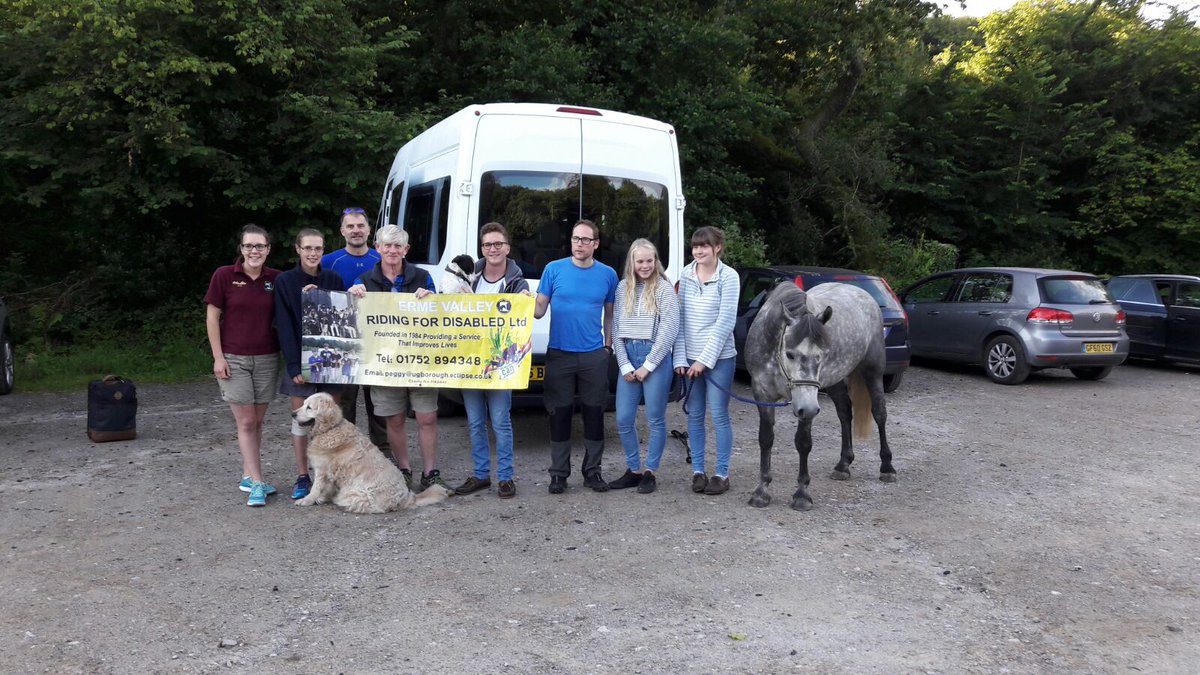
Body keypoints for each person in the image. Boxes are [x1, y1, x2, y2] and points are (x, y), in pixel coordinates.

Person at [347, 225, 447, 491]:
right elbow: (351, 321)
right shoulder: (364, 281)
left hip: (420, 362)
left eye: (398, 246)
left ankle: (430, 472)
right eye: (387, 245)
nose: (392, 250)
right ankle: (404, 469)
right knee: (394, 419)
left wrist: (432, 299)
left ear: (406, 249)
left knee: (427, 417)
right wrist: (352, 297)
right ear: (377, 248)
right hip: (384, 364)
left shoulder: (423, 277)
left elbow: (439, 318)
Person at [533, 219, 618, 494]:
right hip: (559, 354)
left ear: (596, 243)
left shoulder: (608, 274)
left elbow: (610, 314)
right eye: (575, 239)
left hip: (594, 356)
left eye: (585, 239)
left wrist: (608, 346)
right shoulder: (553, 270)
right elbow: (538, 311)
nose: (579, 244)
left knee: (594, 414)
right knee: (559, 415)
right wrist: (518, 299)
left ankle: (593, 472)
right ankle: (558, 475)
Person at [204, 224, 283, 507]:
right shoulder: (224, 276)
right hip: (233, 358)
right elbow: (212, 318)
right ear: (241, 249)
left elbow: (297, 306)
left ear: (268, 249)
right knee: (246, 421)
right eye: (249, 246)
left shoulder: (277, 279)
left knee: (258, 421)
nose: (254, 251)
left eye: (260, 246)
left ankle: (249, 475)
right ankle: (258, 483)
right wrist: (218, 357)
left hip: (267, 357)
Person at [453, 223, 530, 500]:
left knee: (500, 421)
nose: (493, 249)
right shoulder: (467, 277)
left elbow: (525, 319)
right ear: (482, 249)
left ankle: (506, 477)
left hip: (502, 363)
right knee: (474, 421)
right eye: (487, 245)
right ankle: (482, 474)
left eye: (498, 244)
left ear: (507, 248)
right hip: (471, 361)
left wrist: (525, 303)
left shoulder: (518, 283)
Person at [274, 228, 345, 500]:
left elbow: (342, 318)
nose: (313, 253)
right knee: (301, 423)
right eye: (308, 248)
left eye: (318, 249)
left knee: (329, 423)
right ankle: (303, 476)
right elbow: (283, 325)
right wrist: (294, 367)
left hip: (330, 362)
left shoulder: (333, 278)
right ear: (298, 249)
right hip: (300, 361)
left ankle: (327, 478)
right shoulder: (285, 281)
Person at [607, 239, 679, 494]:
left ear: (656, 261)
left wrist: (648, 365)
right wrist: (624, 365)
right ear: (632, 262)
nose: (645, 265)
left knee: (655, 419)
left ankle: (650, 471)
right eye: (640, 261)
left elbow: (669, 330)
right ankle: (633, 469)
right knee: (624, 418)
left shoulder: (663, 289)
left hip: (654, 358)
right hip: (629, 354)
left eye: (650, 260)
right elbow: (615, 328)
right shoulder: (622, 287)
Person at [674, 226, 740, 496]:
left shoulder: (730, 277)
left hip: (719, 359)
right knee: (695, 415)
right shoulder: (686, 275)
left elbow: (725, 322)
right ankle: (698, 471)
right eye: (695, 246)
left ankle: (721, 474)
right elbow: (679, 319)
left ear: (717, 247)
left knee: (719, 415)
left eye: (704, 245)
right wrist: (680, 356)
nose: (699, 250)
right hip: (689, 357)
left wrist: (703, 361)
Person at [321, 207, 389, 456]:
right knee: (344, 405)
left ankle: (383, 453)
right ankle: (346, 454)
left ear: (369, 230)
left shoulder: (381, 258)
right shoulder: (328, 261)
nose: (356, 230)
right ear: (342, 231)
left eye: (360, 225)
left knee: (379, 404)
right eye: (350, 226)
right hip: (342, 346)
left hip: (376, 344)